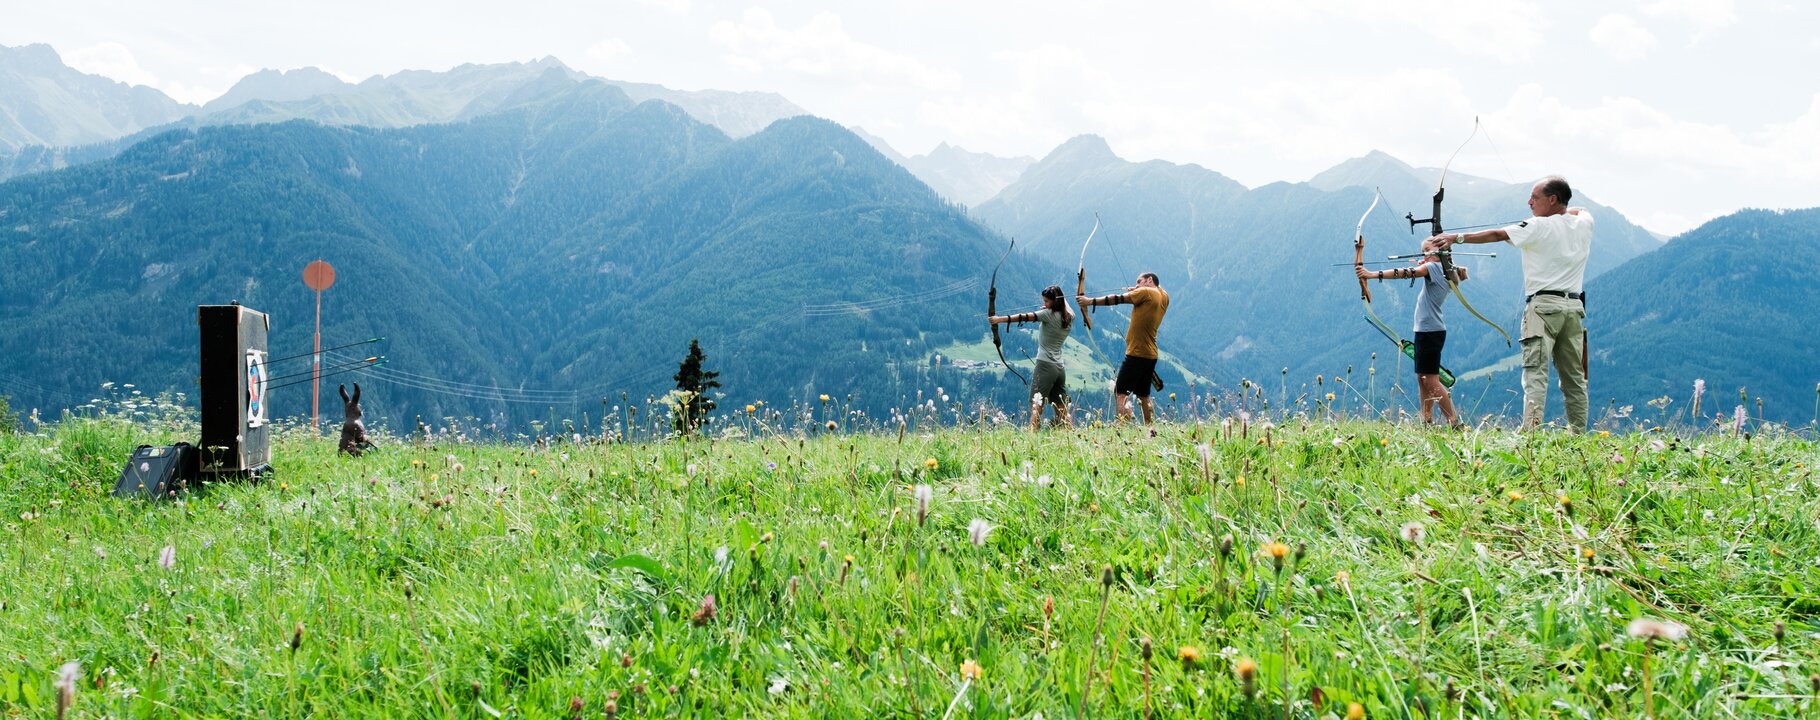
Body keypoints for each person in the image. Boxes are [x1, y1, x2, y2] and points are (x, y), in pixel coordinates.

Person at [1434, 176, 1592, 430]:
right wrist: (1565, 213)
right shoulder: (1584, 224)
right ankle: (1579, 434)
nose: (1529, 202)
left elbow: (1496, 234)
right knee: (1574, 378)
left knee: (1535, 374)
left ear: (1552, 200)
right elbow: (1582, 210)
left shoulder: (1537, 226)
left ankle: (1530, 435)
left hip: (1542, 308)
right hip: (1573, 308)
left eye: (1535, 197)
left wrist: (1455, 238)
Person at [1357, 239, 1463, 427]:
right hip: (1428, 330)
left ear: (1442, 251)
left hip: (1430, 331)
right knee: (1423, 379)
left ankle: (1454, 422)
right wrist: (1429, 262)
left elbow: (1405, 273)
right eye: (1423, 251)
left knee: (1431, 380)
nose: (1424, 254)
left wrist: (1371, 275)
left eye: (1428, 250)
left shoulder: (1434, 268)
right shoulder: (1443, 270)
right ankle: (1427, 421)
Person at [1078, 272, 1169, 424]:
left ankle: (1123, 426)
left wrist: (1088, 301)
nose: (1137, 285)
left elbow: (1116, 299)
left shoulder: (1145, 292)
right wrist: (1138, 288)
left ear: (1150, 280)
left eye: (1139, 281)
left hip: (1136, 353)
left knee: (1120, 392)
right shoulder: (1164, 296)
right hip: (1151, 354)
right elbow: (1158, 290)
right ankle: (1150, 428)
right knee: (1143, 394)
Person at [990, 285, 1074, 429]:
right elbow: (1063, 304)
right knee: (1061, 406)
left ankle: (1033, 436)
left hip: (1045, 365)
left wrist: (999, 319)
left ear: (1055, 301)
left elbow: (1024, 317)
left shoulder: (1048, 314)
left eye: (1047, 301)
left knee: (1036, 403)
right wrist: (1054, 303)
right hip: (1059, 368)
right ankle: (1070, 433)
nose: (1045, 304)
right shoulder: (1069, 315)